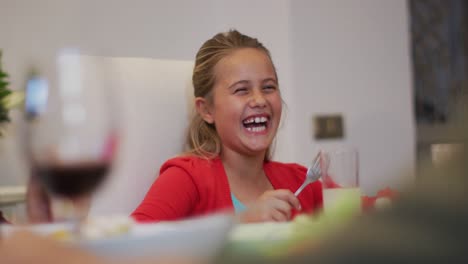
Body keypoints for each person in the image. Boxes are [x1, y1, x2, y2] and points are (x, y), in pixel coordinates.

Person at [131, 29, 323, 223]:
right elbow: (130, 245)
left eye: (268, 87)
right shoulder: (186, 179)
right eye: (241, 90)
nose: (259, 100)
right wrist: (241, 222)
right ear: (206, 110)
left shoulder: (303, 181)